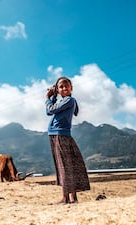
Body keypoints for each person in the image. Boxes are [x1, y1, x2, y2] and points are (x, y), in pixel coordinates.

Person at [45, 76, 90, 204]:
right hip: (58, 135)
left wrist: (47, 98)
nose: (64, 88)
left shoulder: (69, 100)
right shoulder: (65, 101)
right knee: (67, 165)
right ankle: (72, 198)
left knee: (64, 166)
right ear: (58, 90)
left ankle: (66, 198)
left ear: (71, 88)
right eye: (61, 87)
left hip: (60, 134)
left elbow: (50, 109)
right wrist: (53, 97)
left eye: (66, 86)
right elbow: (49, 112)